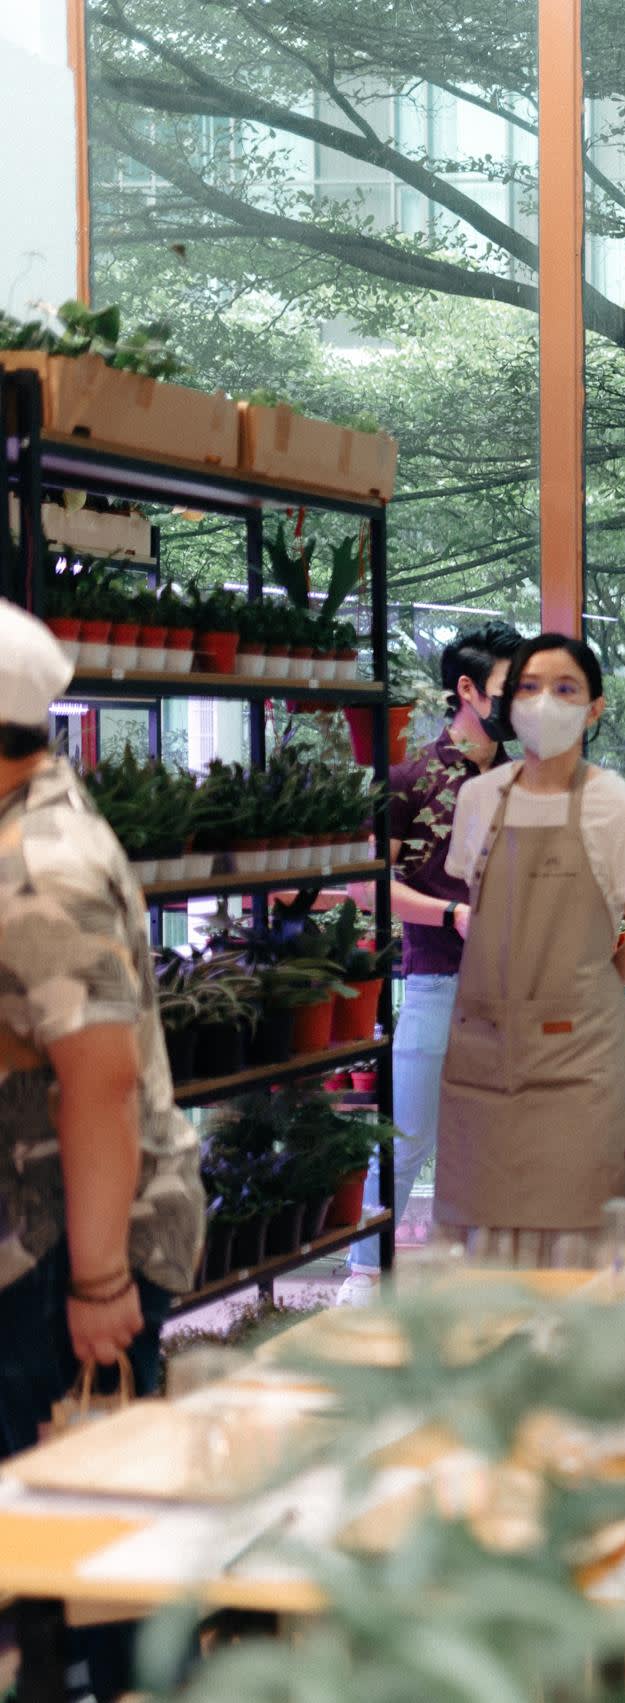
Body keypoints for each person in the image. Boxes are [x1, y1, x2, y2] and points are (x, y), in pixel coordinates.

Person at [0, 607, 201, 1697]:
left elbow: (100, 1083)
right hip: (40, 1231)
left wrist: (99, 1281)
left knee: (100, 1536)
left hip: (59, 1248)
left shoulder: (43, 867)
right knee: (58, 1535)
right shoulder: (23, 819)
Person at [439, 634, 625, 1260]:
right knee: (486, 1256)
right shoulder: (478, 799)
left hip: (582, 1068)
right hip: (486, 1060)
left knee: (581, 1251)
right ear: (508, 703)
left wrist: (576, 1001)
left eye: (565, 689)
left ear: (594, 708)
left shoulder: (620, 810)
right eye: (530, 687)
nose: (544, 702)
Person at [342, 620, 520, 1300]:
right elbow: (366, 888)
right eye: (510, 688)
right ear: (467, 690)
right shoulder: (409, 778)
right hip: (438, 982)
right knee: (406, 1137)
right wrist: (453, 914)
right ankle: (365, 1277)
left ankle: (481, 1286)